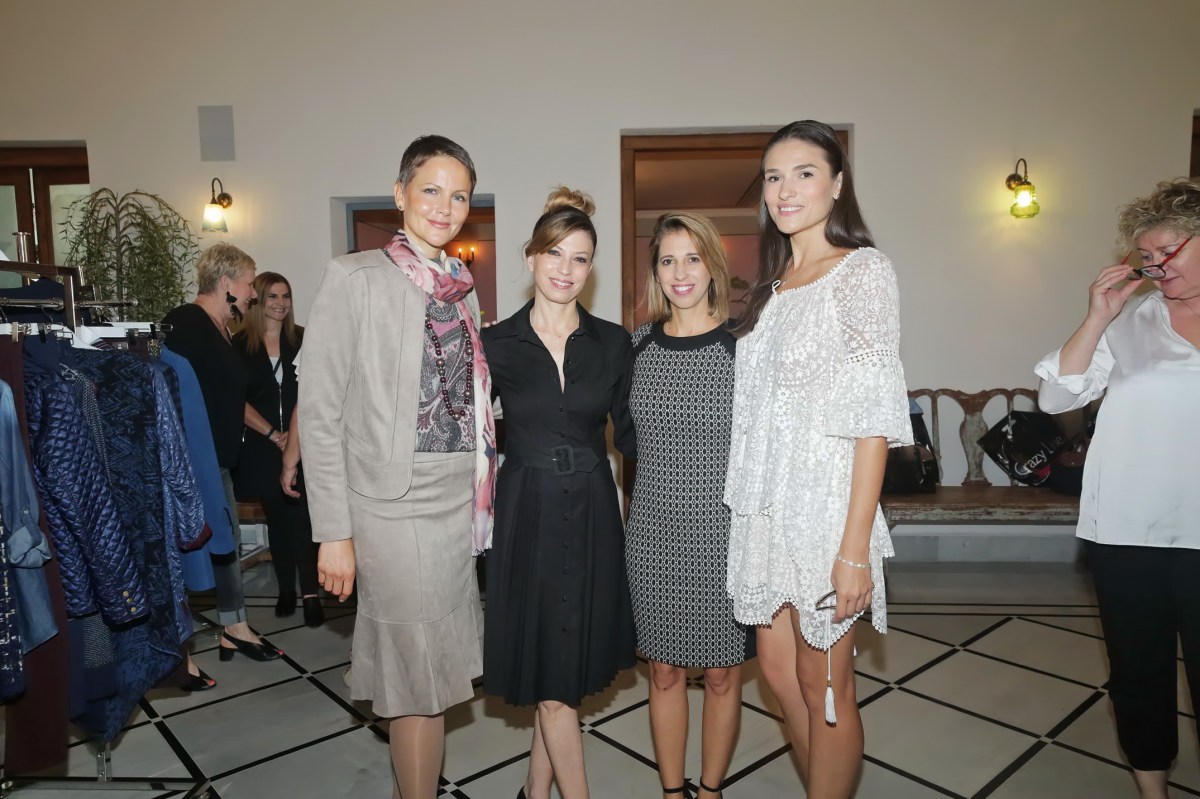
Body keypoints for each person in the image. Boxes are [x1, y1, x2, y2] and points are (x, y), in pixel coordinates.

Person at [298, 135, 494, 799]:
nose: (445, 206)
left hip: (455, 503)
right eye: (431, 189)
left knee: (434, 674)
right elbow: (319, 412)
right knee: (416, 679)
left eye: (459, 195)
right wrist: (334, 530)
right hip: (390, 506)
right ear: (400, 193)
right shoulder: (354, 277)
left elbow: (466, 396)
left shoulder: (461, 290)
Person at [723, 120, 912, 798]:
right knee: (779, 676)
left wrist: (853, 547)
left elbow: (874, 419)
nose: (785, 189)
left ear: (836, 185)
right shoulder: (772, 289)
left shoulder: (863, 272)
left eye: (804, 173)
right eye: (774, 176)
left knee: (824, 685)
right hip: (765, 511)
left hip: (826, 510)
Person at [1035, 178, 1200, 799]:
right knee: (1139, 672)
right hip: (1129, 529)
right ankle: (1152, 790)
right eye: (1145, 256)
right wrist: (1098, 316)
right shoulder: (1130, 324)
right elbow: (1055, 398)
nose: (1156, 267)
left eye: (1168, 252)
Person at [482, 187, 637, 799]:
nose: (565, 269)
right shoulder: (494, 345)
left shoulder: (613, 343)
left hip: (593, 509)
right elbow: (464, 437)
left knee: (562, 673)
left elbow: (635, 437)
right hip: (527, 511)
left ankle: (533, 789)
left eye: (579, 258)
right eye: (554, 253)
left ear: (591, 268)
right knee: (554, 682)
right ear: (531, 257)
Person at [626, 212, 752, 799]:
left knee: (723, 675)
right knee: (663, 670)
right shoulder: (636, 348)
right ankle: (672, 792)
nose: (680, 272)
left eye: (692, 258)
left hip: (724, 536)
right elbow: (624, 439)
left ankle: (711, 789)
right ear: (656, 271)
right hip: (653, 532)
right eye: (668, 260)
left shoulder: (742, 349)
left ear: (713, 266)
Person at [163, 242, 282, 665]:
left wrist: (271, 433)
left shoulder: (222, 329)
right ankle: (179, 650)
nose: (253, 295)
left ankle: (234, 628)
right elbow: (165, 396)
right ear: (227, 282)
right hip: (194, 463)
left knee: (225, 543)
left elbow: (231, 399)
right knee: (186, 550)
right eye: (250, 284)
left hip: (219, 459)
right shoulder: (184, 323)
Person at [232, 272, 322, 627]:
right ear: (258, 300)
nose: (281, 303)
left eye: (286, 296)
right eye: (272, 296)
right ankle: (286, 588)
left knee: (304, 518)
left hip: (305, 443)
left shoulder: (304, 338)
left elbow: (317, 391)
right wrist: (273, 434)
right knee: (278, 519)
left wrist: (293, 438)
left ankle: (311, 593)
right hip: (260, 446)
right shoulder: (239, 345)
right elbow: (234, 400)